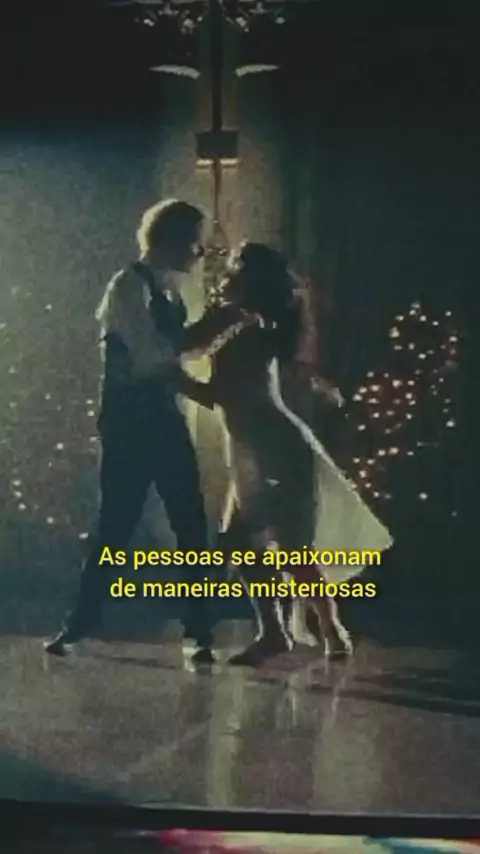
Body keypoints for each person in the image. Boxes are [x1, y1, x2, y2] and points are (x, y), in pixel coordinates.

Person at [175, 242, 393, 666]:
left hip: (272, 448)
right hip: (255, 447)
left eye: (234, 271)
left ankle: (325, 630)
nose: (226, 278)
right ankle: (284, 632)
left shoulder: (248, 330)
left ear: (248, 281)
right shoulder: (248, 327)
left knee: (288, 546)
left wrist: (170, 376)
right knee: (250, 542)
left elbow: (221, 394)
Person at [45, 199, 215, 663]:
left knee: (190, 521)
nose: (201, 252)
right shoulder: (128, 286)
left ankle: (199, 629)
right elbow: (148, 357)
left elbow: (168, 362)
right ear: (172, 239)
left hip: (162, 418)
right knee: (116, 524)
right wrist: (210, 331)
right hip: (131, 425)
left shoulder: (169, 291)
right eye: (196, 241)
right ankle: (79, 623)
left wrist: (202, 384)